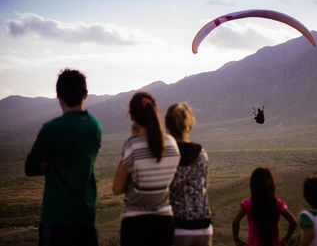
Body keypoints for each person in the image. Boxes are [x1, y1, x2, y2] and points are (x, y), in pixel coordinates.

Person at [25, 69, 102, 246]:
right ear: (86, 94)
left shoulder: (52, 128)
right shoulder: (95, 126)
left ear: (58, 95)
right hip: (86, 216)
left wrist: (51, 164)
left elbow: (30, 167)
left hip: (56, 217)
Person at [112, 91, 180, 246]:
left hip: (135, 224)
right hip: (165, 222)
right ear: (155, 110)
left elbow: (116, 188)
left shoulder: (132, 146)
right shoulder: (171, 144)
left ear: (131, 116)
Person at [165, 102, 213, 246]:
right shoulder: (201, 153)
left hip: (178, 226)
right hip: (203, 225)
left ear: (167, 125)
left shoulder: (165, 154)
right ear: (189, 124)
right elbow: (204, 186)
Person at [232, 167, 297, 246]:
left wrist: (237, 240)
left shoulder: (248, 203)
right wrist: (285, 240)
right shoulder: (277, 203)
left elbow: (235, 222)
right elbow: (293, 222)